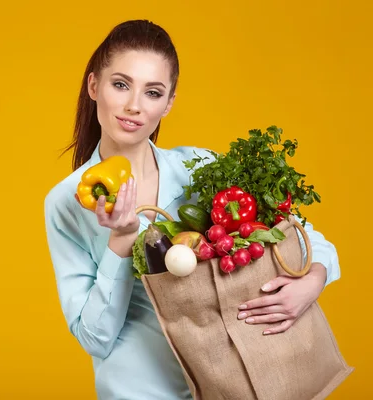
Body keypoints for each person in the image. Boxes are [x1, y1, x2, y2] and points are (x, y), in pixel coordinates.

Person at [43, 19, 340, 400]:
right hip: (140, 390)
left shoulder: (198, 168)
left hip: (232, 383)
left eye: (153, 92)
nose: (134, 105)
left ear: (168, 103)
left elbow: (308, 238)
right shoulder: (66, 202)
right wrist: (120, 240)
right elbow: (95, 339)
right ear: (93, 86)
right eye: (121, 84)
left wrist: (312, 280)